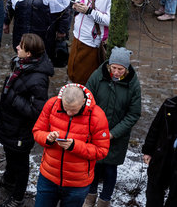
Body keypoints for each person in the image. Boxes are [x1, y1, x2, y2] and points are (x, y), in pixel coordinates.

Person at [0, 33, 53, 207]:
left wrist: (13, 98)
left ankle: (18, 197)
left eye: (21, 46)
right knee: (9, 152)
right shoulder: (21, 65)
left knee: (20, 162)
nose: (17, 47)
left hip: (21, 128)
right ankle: (8, 179)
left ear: (29, 54)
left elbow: (37, 111)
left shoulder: (39, 78)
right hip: (10, 123)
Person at [32, 84, 110, 207]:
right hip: (48, 177)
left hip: (77, 184)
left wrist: (75, 146)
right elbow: (37, 131)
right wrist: (47, 138)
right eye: (65, 108)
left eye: (73, 110)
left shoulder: (97, 116)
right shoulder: (52, 104)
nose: (68, 113)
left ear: (84, 101)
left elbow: (102, 151)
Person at [84, 47, 141, 207]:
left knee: (110, 169)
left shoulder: (133, 84)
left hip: (116, 137)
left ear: (127, 68)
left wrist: (113, 133)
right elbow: (87, 100)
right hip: (95, 132)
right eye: (113, 68)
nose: (116, 72)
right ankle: (90, 196)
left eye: (120, 69)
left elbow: (133, 114)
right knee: (93, 166)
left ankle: (105, 200)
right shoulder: (98, 76)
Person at [68, 0, 111, 84]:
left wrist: (89, 11)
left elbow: (109, 20)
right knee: (72, 70)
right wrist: (78, 3)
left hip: (93, 41)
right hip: (78, 34)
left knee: (85, 76)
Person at [142, 95, 177, 207]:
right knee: (154, 192)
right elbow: (155, 127)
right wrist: (148, 150)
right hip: (163, 155)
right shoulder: (170, 104)